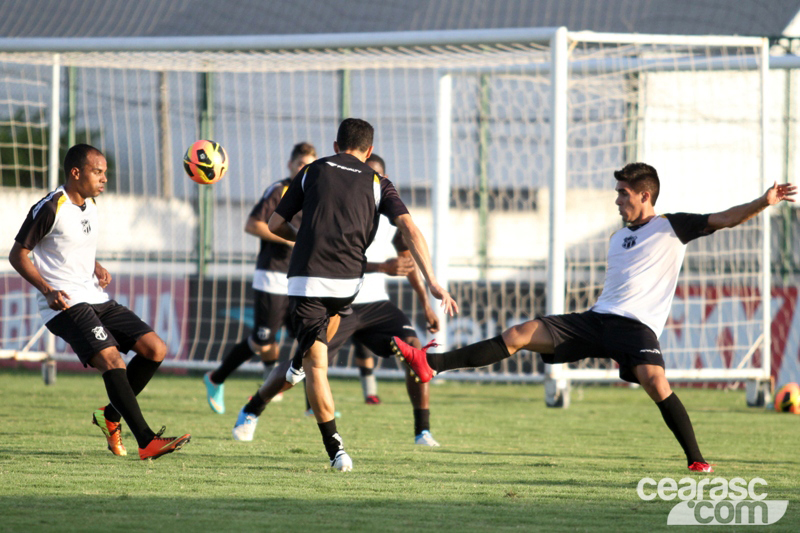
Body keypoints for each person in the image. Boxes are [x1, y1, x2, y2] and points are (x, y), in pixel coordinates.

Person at [392, 162, 797, 473]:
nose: (617, 200)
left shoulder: (672, 227)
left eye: (623, 193)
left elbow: (725, 218)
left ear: (645, 194)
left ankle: (696, 459)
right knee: (518, 333)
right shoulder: (617, 237)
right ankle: (431, 364)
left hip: (635, 328)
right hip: (597, 319)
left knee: (657, 383)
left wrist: (765, 201)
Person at [260, 118, 457, 471]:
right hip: (350, 284)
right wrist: (433, 282)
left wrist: (301, 238)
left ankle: (336, 449)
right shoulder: (379, 181)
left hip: (308, 281)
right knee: (326, 335)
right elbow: (409, 229)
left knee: (316, 365)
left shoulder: (310, 171)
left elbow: (274, 224)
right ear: (368, 151)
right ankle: (303, 359)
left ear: (335, 146)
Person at [235, 153, 443, 447]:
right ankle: (253, 407)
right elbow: (333, 256)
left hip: (375, 304)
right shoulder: (332, 209)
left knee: (416, 349)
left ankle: (422, 430)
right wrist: (381, 267)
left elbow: (407, 260)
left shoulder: (391, 214)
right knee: (303, 366)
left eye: (373, 174)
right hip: (336, 301)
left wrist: (425, 303)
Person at [8, 144, 191, 460]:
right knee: (112, 361)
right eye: (98, 172)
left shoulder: (90, 204)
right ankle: (146, 441)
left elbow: (72, 245)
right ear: (76, 173)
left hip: (95, 296)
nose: (104, 178)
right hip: (65, 304)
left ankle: (110, 415)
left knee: (155, 349)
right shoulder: (51, 207)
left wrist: (95, 266)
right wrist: (47, 289)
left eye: (105, 172)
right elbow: (18, 254)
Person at [203, 142, 316, 414]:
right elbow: (253, 224)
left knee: (309, 341)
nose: (304, 168)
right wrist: (288, 240)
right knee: (263, 340)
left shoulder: (314, 193)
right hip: (273, 276)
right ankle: (215, 378)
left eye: (309, 164)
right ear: (290, 165)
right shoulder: (279, 190)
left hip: (301, 278)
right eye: (300, 163)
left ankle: (312, 405)